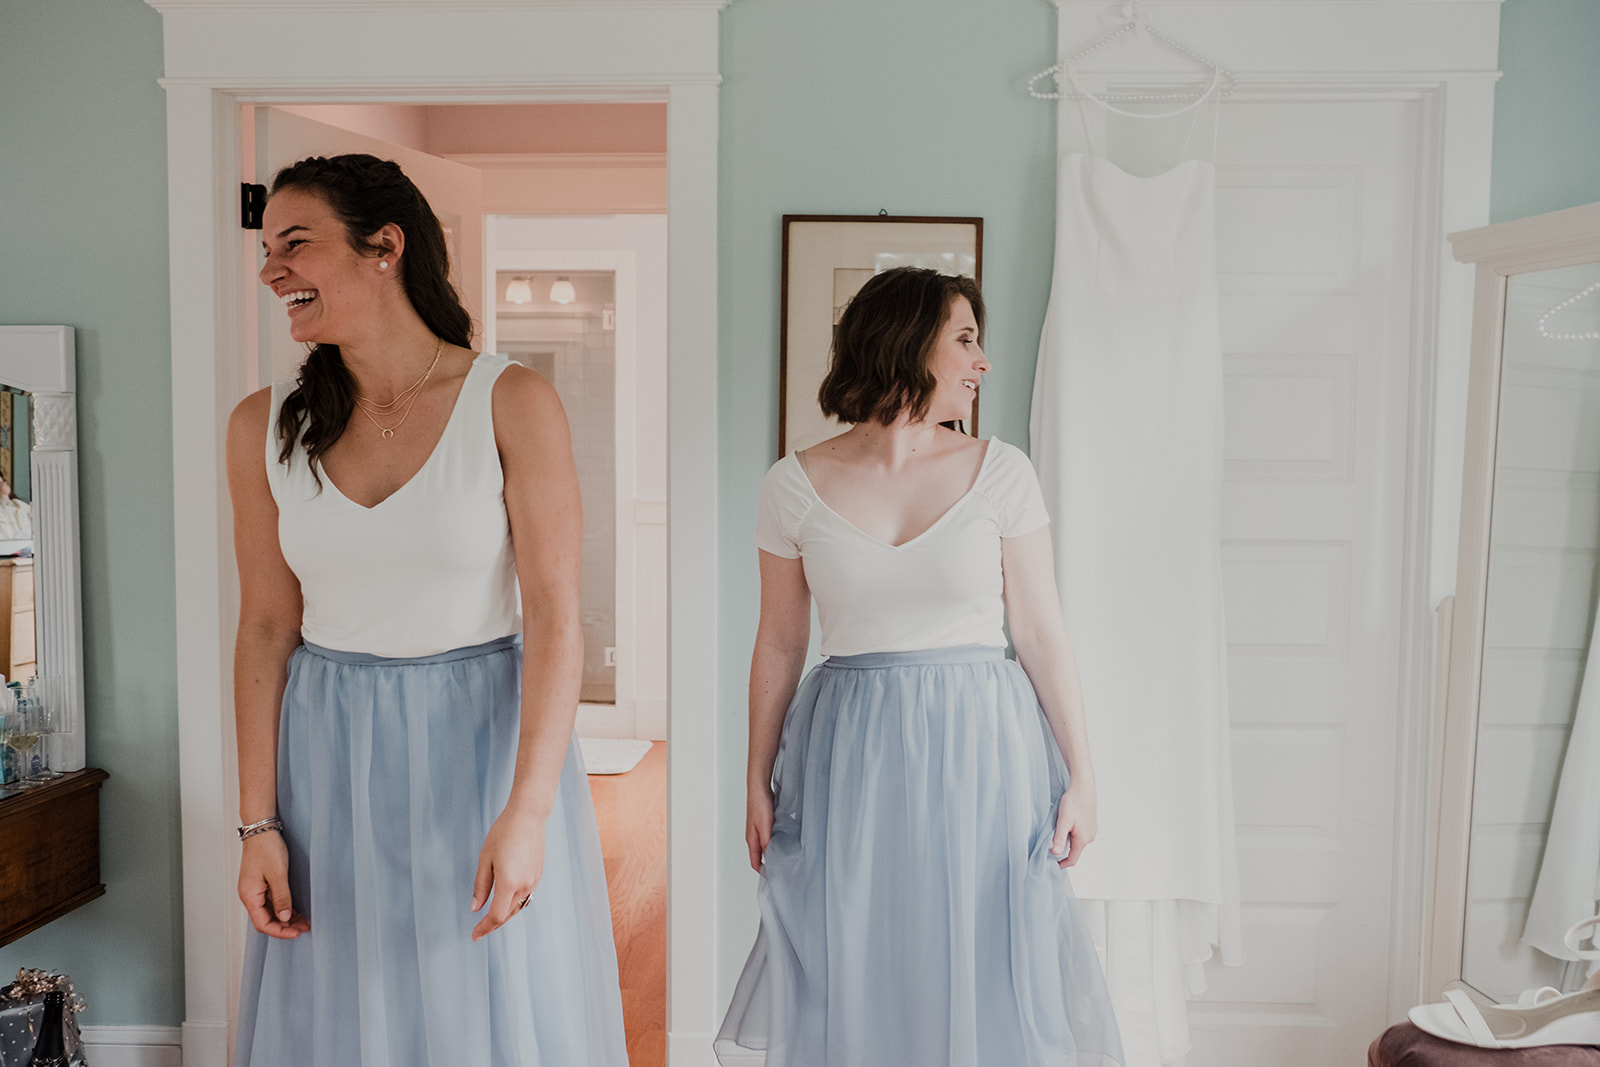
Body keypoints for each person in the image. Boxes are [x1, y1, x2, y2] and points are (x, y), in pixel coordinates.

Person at [227, 154, 627, 1066]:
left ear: (385, 247)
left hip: (480, 746)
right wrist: (258, 824)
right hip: (325, 751)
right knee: (343, 1006)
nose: (270, 271)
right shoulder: (262, 424)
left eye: (295, 245)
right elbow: (264, 626)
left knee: (476, 1003)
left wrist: (527, 814)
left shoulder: (512, 400)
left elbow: (559, 618)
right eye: (266, 249)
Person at [715, 267, 1124, 1067]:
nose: (983, 361)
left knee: (986, 953)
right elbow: (779, 642)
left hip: (985, 751)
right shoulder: (791, 485)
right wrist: (756, 777)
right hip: (851, 755)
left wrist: (1083, 775)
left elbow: (1040, 631)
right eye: (966, 339)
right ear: (908, 342)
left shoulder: (1003, 472)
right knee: (861, 952)